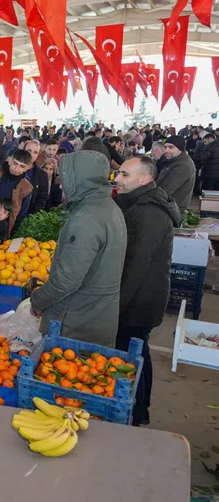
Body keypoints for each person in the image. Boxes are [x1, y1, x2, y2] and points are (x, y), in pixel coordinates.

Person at [30, 151, 127, 346]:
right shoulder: (109, 207)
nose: (61, 183)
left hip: (75, 322)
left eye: (66, 177)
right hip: (96, 315)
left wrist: (38, 300)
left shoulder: (85, 219)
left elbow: (66, 281)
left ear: (80, 179)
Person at [113, 156, 179, 426]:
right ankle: (140, 409)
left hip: (140, 298)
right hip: (142, 294)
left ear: (144, 179)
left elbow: (135, 265)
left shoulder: (149, 213)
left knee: (134, 352)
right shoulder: (140, 202)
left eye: (124, 175)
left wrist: (117, 306)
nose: (117, 178)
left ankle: (138, 412)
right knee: (138, 350)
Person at [156, 135, 196, 222]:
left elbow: (165, 191)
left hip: (171, 210)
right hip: (168, 208)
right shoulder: (174, 161)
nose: (166, 150)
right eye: (165, 147)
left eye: (171, 147)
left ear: (180, 148)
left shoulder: (183, 166)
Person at [22, 141, 49, 215]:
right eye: (29, 151)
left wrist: (32, 216)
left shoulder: (42, 175)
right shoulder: (13, 168)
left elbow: (42, 198)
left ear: (37, 155)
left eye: (35, 152)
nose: (31, 154)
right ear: (23, 150)